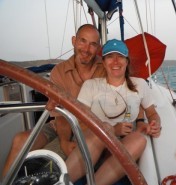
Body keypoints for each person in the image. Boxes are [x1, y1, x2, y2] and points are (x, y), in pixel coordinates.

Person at [1, 24, 106, 177]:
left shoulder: (105, 68)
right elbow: (60, 114)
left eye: (93, 44)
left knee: (46, 159)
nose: (86, 48)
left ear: (98, 47)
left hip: (89, 128)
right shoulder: (59, 71)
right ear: (74, 41)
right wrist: (64, 141)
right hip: (61, 124)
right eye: (83, 41)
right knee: (20, 140)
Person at [65, 39, 161, 185]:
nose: (115, 61)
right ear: (103, 62)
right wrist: (112, 129)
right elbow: (80, 120)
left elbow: (152, 113)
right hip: (92, 146)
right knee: (104, 129)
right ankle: (57, 184)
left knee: (140, 139)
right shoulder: (91, 85)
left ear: (126, 61)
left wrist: (155, 124)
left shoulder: (139, 85)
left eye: (120, 57)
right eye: (110, 57)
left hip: (119, 151)